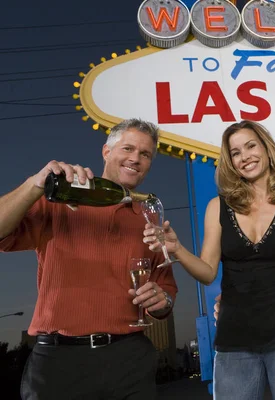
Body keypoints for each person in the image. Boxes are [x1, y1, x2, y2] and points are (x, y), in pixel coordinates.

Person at [0, 118, 177, 400]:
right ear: (106, 152)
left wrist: (162, 301)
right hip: (58, 364)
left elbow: (166, 288)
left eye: (145, 154)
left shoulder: (150, 217)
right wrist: (34, 184)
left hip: (130, 359)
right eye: (128, 148)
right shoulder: (57, 199)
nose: (136, 158)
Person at [143, 120, 275, 399]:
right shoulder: (217, 207)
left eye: (250, 146)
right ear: (230, 162)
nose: (245, 156)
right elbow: (208, 272)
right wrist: (177, 249)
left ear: (266, 147)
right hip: (233, 343)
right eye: (235, 152)